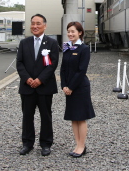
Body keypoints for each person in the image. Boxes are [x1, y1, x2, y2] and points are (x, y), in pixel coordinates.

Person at [16, 14, 59, 156]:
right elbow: (20, 63)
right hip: (27, 87)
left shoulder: (51, 43)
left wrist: (40, 79)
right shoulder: (24, 43)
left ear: (45, 26)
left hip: (45, 86)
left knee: (46, 115)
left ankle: (46, 144)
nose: (35, 26)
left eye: (38, 23)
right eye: (33, 23)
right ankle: (27, 143)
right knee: (27, 116)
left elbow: (52, 64)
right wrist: (27, 78)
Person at [60, 21, 96, 158]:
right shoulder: (67, 48)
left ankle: (82, 146)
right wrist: (63, 85)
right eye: (68, 31)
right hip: (68, 88)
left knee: (80, 118)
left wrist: (71, 87)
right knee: (73, 118)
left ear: (80, 33)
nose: (70, 34)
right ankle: (77, 144)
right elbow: (63, 68)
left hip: (80, 88)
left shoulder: (84, 49)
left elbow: (81, 70)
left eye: (73, 31)